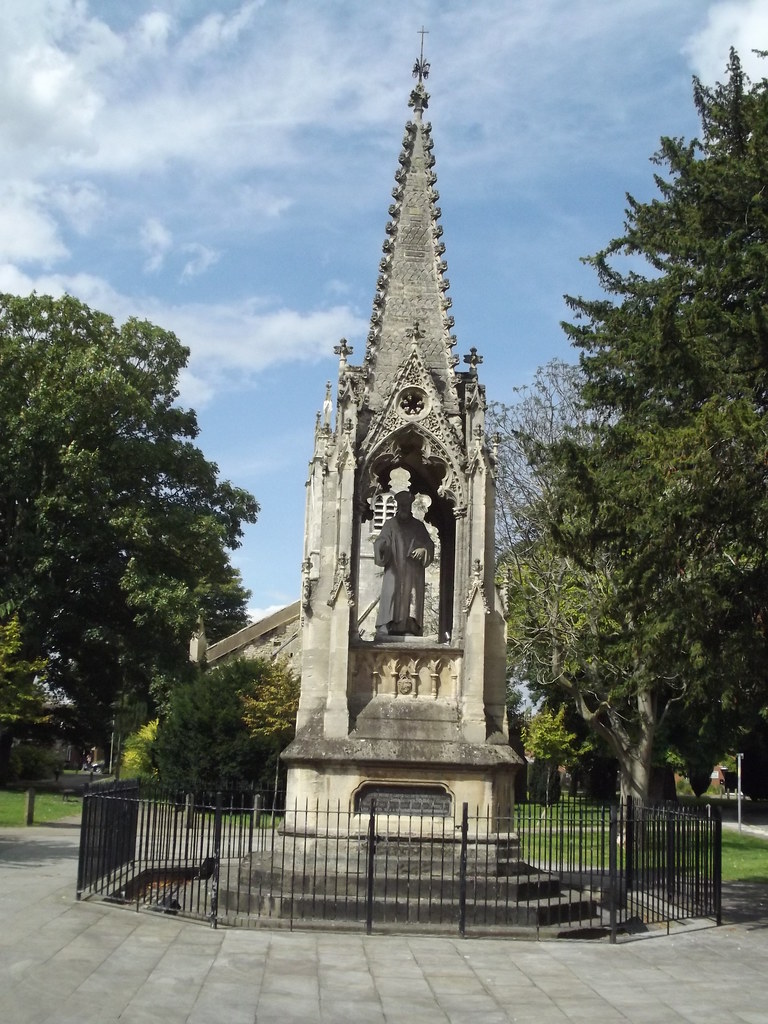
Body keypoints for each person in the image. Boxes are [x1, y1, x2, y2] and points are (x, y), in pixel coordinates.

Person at [374, 491, 434, 636]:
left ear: (410, 507)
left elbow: (429, 544)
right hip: (394, 569)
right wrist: (382, 546)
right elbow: (380, 541)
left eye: (406, 506)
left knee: (410, 597)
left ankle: (410, 627)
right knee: (392, 594)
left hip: (412, 571)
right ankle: (388, 626)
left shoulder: (418, 526)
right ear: (397, 507)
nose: (404, 508)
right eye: (401, 506)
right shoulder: (390, 525)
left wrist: (423, 550)